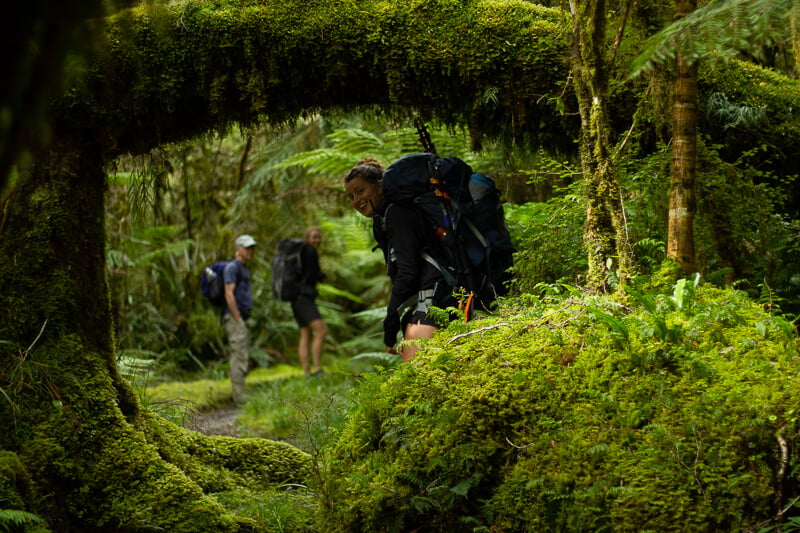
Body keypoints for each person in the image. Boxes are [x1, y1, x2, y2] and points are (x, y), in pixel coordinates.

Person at [344, 158, 456, 362]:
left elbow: (408, 272)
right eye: (351, 196)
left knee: (417, 374)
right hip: (427, 296)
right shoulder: (386, 217)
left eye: (360, 191)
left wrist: (391, 324)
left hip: (436, 295)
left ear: (379, 186)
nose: (355, 200)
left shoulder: (397, 213)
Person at [223, 234, 256, 405]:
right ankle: (240, 398)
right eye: (247, 248)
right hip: (235, 318)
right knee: (238, 356)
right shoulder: (232, 267)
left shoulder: (244, 268)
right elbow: (229, 293)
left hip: (243, 317)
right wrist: (237, 318)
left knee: (243, 355)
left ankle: (241, 393)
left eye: (252, 248)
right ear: (238, 249)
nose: (251, 251)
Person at [292, 226, 327, 377]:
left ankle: (307, 373)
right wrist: (321, 276)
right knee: (321, 330)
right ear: (307, 239)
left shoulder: (300, 253)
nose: (317, 240)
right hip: (304, 299)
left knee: (305, 334)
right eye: (314, 237)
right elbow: (313, 274)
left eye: (319, 237)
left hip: (296, 299)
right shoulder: (310, 252)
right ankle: (317, 369)